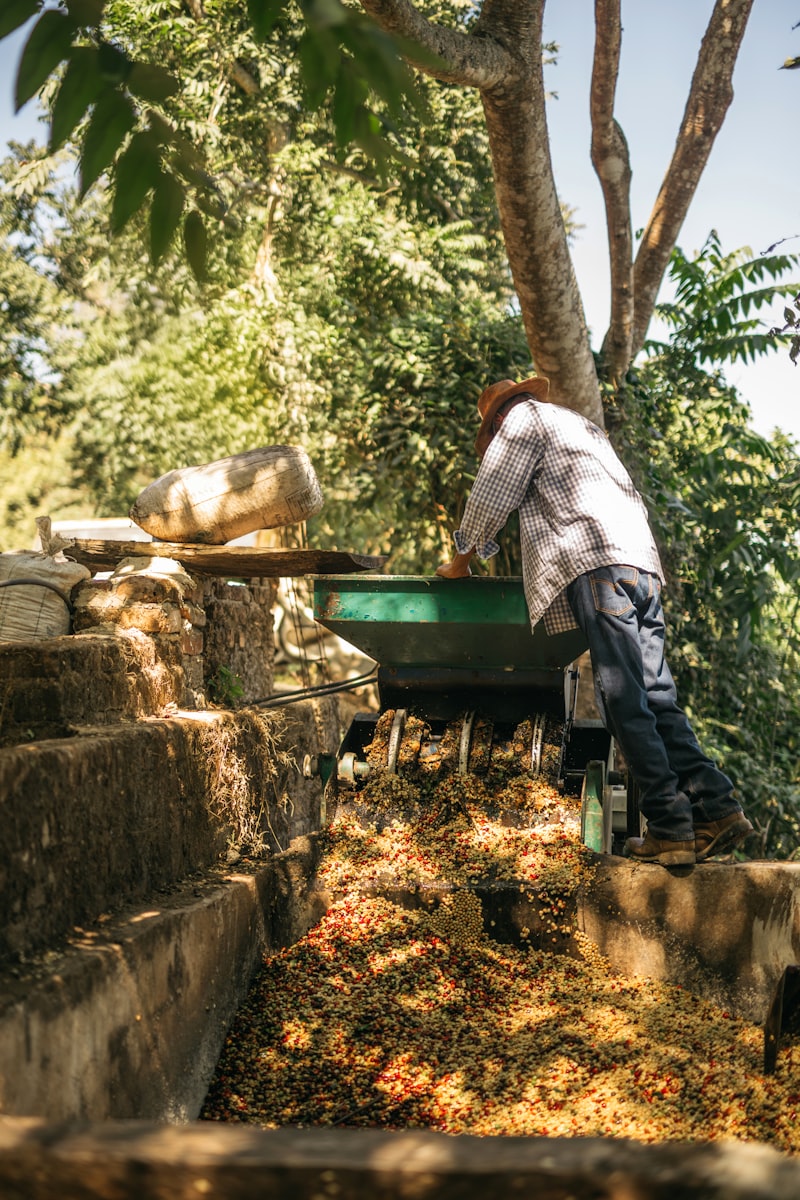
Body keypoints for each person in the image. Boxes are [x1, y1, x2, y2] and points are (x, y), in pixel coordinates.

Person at [436, 376, 753, 867]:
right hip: (640, 569)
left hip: (598, 568)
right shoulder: (581, 427)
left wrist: (461, 560)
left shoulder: (524, 420)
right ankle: (717, 806)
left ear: (498, 418)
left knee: (622, 701)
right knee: (655, 696)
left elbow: (491, 493)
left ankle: (671, 828)